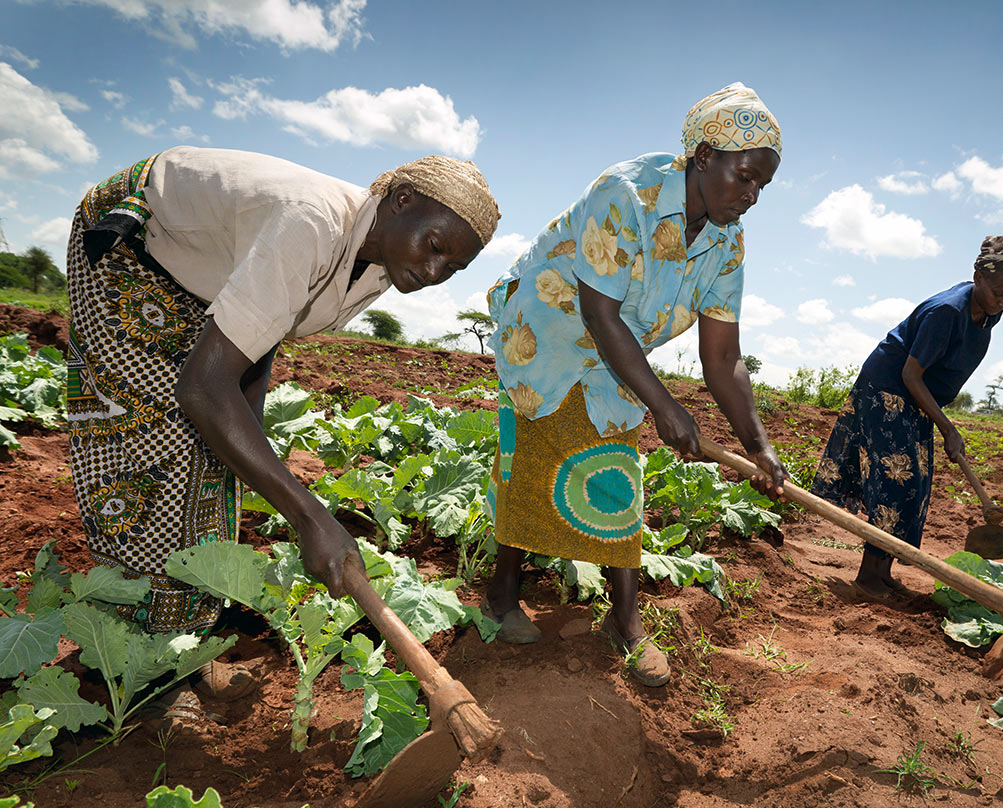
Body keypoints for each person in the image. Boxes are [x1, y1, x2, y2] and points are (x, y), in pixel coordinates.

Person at [64, 146, 499, 707]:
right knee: (150, 449)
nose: (435, 273)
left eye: (454, 268)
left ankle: (177, 646)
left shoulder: (381, 266)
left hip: (199, 286)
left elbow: (262, 330)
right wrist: (308, 515)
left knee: (218, 461)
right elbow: (202, 386)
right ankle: (132, 668)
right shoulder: (312, 224)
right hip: (133, 246)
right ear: (401, 201)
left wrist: (249, 438)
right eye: (436, 247)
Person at [480, 83, 788, 687]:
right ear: (704, 156)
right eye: (745, 177)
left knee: (615, 462)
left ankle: (619, 621)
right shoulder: (626, 193)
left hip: (617, 348)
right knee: (538, 450)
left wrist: (759, 445)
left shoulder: (727, 241)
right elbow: (599, 313)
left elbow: (723, 357)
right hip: (549, 325)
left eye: (762, 187)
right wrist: (667, 406)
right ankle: (508, 596)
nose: (751, 196)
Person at [810, 236, 1003, 600]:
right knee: (894, 483)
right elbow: (910, 374)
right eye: (997, 293)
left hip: (915, 398)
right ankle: (868, 578)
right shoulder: (946, 312)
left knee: (914, 486)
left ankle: (883, 574)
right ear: (977, 276)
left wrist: (940, 421)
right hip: (888, 390)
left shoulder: (987, 312)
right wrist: (947, 427)